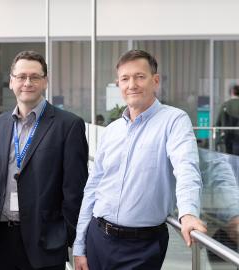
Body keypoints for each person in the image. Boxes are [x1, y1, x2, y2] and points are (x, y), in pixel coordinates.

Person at [73, 49, 207, 270]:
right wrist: (80, 246)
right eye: (125, 79)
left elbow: (186, 168)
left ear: (155, 81)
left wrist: (189, 213)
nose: (132, 84)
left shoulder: (174, 121)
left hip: (142, 247)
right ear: (119, 85)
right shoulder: (111, 130)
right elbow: (93, 188)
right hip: (98, 239)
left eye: (140, 76)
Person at [0, 50, 89, 270]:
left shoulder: (68, 125)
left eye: (35, 77)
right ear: (11, 82)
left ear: (45, 81)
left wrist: (64, 235)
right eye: (21, 76)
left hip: (44, 244)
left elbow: (75, 190)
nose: (27, 82)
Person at [216, 85, 239, 155]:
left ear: (231, 92)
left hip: (228, 135)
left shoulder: (225, 105)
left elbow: (218, 122)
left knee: (229, 156)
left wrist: (218, 135)